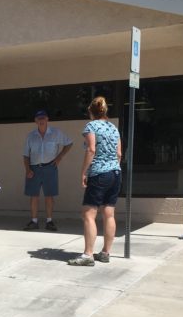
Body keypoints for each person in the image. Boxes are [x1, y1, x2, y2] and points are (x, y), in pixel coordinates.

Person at [68, 96, 122, 266]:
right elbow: (119, 153)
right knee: (109, 213)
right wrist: (113, 166)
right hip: (115, 172)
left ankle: (88, 255)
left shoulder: (91, 126)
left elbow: (91, 149)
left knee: (88, 214)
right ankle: (105, 252)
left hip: (99, 173)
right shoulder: (113, 127)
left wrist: (84, 171)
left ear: (91, 111)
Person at [22, 109, 73, 231]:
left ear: (47, 119)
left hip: (50, 167)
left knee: (49, 196)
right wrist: (27, 169)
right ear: (35, 121)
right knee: (33, 196)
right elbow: (25, 155)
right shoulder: (31, 136)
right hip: (34, 168)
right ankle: (34, 221)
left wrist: (60, 157)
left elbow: (69, 143)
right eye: (39, 118)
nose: (41, 120)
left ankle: (49, 221)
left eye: (43, 118)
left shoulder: (56, 133)